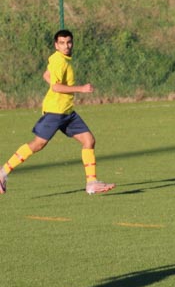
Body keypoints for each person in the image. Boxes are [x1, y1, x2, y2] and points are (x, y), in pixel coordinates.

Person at [0, 29, 115, 195]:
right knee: (38, 144)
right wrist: (81, 89)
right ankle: (3, 172)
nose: (66, 46)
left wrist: (61, 87)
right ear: (56, 45)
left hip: (67, 112)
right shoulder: (59, 61)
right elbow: (55, 87)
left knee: (89, 140)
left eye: (69, 42)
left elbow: (46, 75)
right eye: (62, 43)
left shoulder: (61, 60)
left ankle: (92, 183)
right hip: (55, 111)